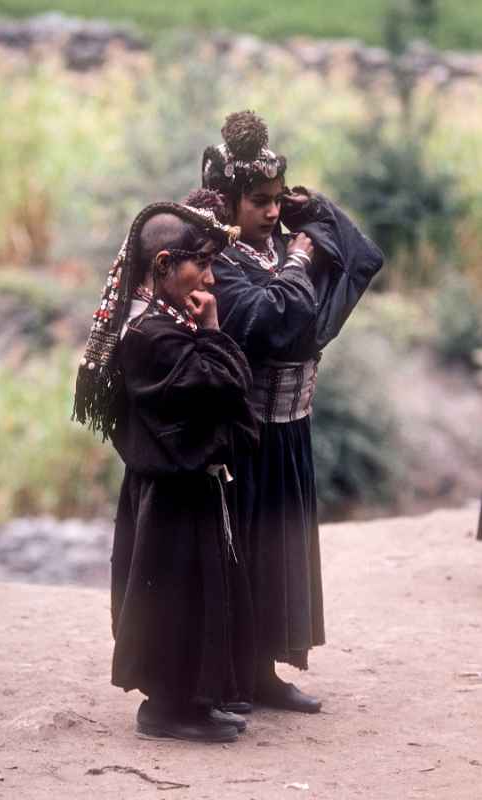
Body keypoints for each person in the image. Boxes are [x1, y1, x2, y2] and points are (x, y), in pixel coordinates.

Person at [194, 110, 384, 713]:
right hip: (246, 437)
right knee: (246, 553)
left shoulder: (283, 247)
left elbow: (362, 257)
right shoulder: (220, 264)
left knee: (281, 554)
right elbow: (275, 320)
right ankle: (235, 676)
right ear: (228, 202)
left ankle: (265, 674)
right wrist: (301, 262)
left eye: (279, 200)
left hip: (292, 430)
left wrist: (315, 207)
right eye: (260, 201)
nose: (273, 212)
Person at [73, 202, 258, 742]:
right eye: (201, 264)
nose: (210, 279)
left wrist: (210, 339)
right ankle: (164, 711)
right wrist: (214, 329)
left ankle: (193, 703)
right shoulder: (151, 335)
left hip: (181, 485)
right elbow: (224, 388)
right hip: (170, 489)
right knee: (174, 596)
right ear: (162, 265)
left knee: (194, 593)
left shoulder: (165, 324)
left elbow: (225, 391)